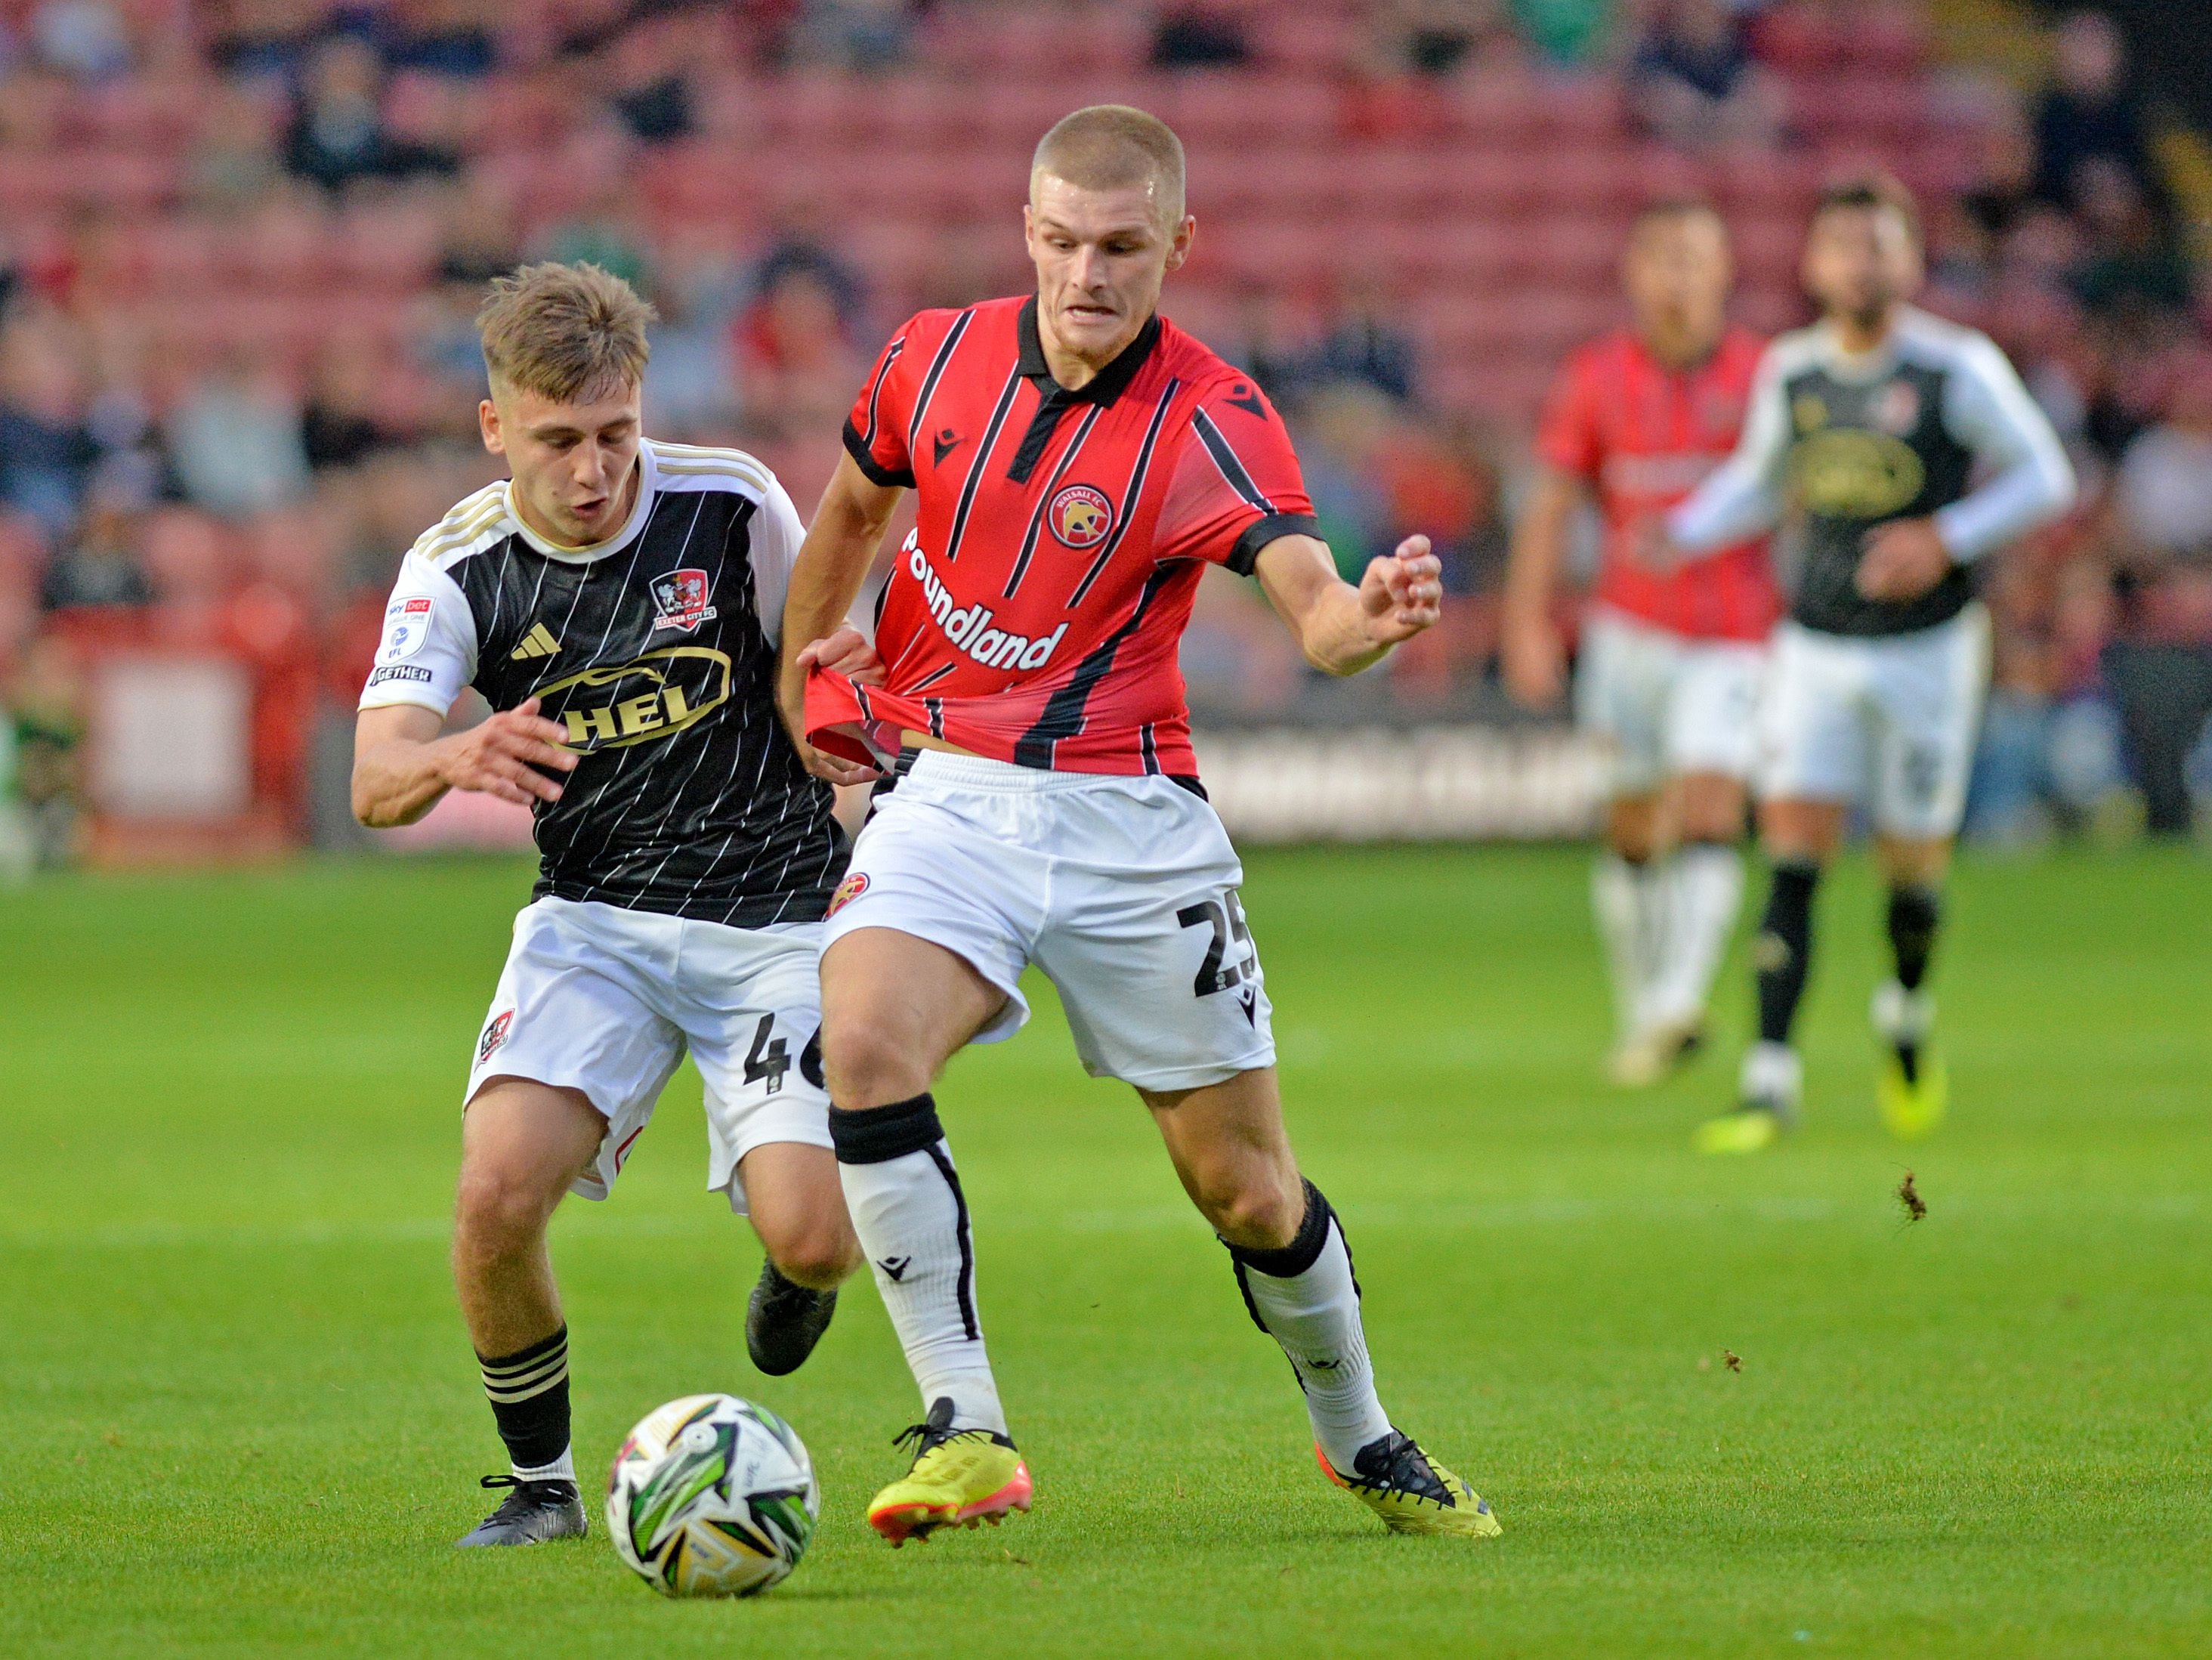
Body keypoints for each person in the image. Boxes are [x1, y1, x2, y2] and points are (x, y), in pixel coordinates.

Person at [777, 105, 1500, 1547]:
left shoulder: (1211, 418)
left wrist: (1369, 617)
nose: (1084, 274)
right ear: (1023, 231)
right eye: (1058, 240)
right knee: (858, 1038)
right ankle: (966, 1425)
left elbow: (1311, 605)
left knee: (1240, 1186)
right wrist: (808, 677)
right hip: (957, 793)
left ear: (1178, 244)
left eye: (1118, 247)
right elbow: (852, 508)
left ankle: (1356, 1434)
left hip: (1131, 823)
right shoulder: (929, 359)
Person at [349, 262, 867, 1548]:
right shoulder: (456, 568)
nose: (592, 470)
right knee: (493, 1198)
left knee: (816, 1240)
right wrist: (450, 757)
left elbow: (814, 678)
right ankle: (540, 1488)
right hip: (597, 924)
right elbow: (371, 781)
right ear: (494, 427)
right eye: (558, 440)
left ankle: (796, 1273)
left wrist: (847, 720)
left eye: (615, 434)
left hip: (776, 920)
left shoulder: (730, 502)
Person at [1656, 177, 2077, 1154]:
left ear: (1911, 261)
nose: (1860, 262)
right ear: (1812, 265)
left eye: (1878, 244)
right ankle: (1769, 1079)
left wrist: (1948, 535)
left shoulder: (1952, 366)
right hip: (1817, 644)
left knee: (1911, 871)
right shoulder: (1794, 372)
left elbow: (2047, 475)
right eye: (1843, 244)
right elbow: (1761, 483)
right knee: (1794, 854)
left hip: (1930, 650)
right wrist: (1679, 531)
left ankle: (1907, 1014)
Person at [1504, 199, 1775, 1087]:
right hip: (1627, 634)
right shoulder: (1594, 377)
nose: (1678, 278)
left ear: (1725, 271)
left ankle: (1679, 1001)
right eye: (1662, 258)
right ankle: (1644, 1010)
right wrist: (1527, 625)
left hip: (1732, 636)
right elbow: (1548, 508)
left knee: (1707, 807)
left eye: (1695, 258)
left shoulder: (1766, 378)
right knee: (1630, 829)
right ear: (1633, 273)